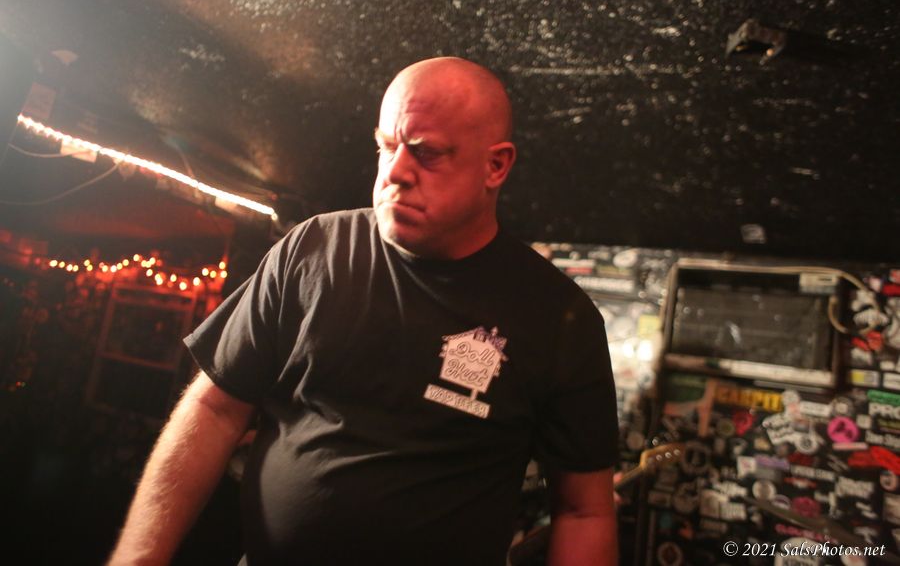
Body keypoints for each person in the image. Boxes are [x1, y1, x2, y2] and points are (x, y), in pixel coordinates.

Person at [109, 57, 619, 566]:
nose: (396, 172)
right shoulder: (313, 250)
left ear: (496, 166)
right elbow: (214, 411)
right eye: (387, 147)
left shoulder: (558, 318)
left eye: (427, 153)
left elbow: (584, 512)